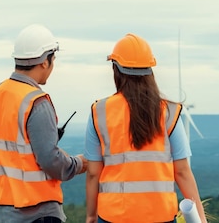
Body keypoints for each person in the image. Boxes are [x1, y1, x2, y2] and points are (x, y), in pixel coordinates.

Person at [84, 33, 208, 223]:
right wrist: (200, 218)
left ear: (115, 69)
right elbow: (182, 171)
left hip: (113, 216)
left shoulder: (99, 111)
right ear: (150, 71)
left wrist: (91, 215)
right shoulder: (169, 112)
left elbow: (93, 173)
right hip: (161, 216)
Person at [0, 24, 87, 223]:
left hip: (7, 211)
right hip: (40, 213)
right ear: (45, 62)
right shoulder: (36, 101)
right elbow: (50, 161)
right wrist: (79, 163)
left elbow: (1, 153)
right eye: (53, 59)